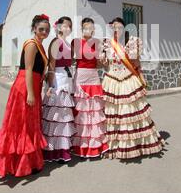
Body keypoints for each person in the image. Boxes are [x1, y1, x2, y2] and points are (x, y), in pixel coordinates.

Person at [0, 14, 50, 177]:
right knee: (21, 125)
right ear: (34, 29)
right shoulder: (32, 44)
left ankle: (28, 163)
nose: (44, 32)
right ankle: (17, 164)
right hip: (25, 87)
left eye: (47, 29)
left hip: (33, 86)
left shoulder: (40, 45)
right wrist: (30, 93)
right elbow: (28, 69)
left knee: (30, 125)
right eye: (41, 29)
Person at [101, 17, 164, 159]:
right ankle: (114, 145)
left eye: (120, 27)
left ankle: (135, 144)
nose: (117, 29)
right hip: (112, 80)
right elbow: (105, 64)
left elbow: (135, 62)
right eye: (114, 27)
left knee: (129, 112)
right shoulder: (107, 44)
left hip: (128, 79)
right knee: (114, 113)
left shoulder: (133, 42)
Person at [71, 17, 109, 158]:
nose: (89, 30)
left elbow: (99, 63)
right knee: (82, 111)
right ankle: (81, 145)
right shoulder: (76, 42)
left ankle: (96, 145)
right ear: (82, 28)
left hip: (93, 75)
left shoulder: (97, 43)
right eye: (86, 27)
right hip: (81, 76)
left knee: (94, 110)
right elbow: (74, 60)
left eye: (91, 27)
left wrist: (104, 61)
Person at [42, 16, 76, 163]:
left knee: (63, 116)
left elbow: (70, 60)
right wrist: (50, 86)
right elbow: (51, 64)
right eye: (66, 26)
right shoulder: (56, 42)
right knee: (56, 115)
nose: (68, 28)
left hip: (67, 77)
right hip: (58, 78)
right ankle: (53, 152)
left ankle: (63, 150)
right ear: (59, 27)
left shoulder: (67, 43)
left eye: (70, 26)